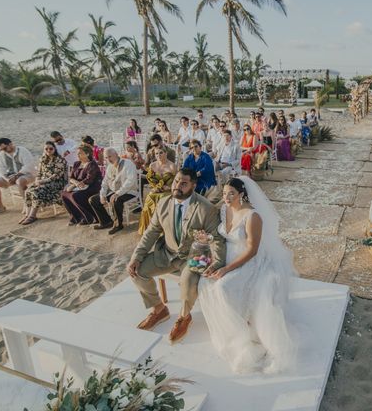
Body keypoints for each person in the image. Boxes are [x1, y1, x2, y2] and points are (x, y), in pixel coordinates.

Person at [198, 177, 296, 373]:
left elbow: (252, 250)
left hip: (248, 261)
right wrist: (208, 240)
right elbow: (220, 235)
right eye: (224, 193)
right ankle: (232, 326)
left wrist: (227, 269)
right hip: (226, 256)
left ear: (241, 194)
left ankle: (244, 330)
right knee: (204, 281)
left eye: (231, 194)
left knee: (223, 287)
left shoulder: (253, 216)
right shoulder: (225, 209)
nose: (226, 197)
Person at [127, 169, 227, 343]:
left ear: (193, 186)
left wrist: (217, 263)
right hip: (165, 253)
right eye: (176, 181)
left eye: (183, 183)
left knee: (188, 282)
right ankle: (159, 309)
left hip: (193, 257)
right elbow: (150, 233)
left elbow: (216, 239)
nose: (177, 186)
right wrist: (136, 257)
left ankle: (184, 316)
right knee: (137, 271)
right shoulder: (163, 203)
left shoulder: (206, 208)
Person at [88, 148, 139, 234]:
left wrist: (117, 193)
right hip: (113, 191)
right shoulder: (109, 167)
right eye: (106, 158)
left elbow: (130, 181)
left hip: (129, 191)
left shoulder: (128, 164)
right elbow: (105, 182)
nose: (108, 159)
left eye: (110, 156)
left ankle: (118, 225)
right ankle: (106, 222)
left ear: (116, 154)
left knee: (116, 200)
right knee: (93, 200)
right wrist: (102, 195)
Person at [19, 141, 68, 225]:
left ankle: (32, 216)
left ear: (54, 149)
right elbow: (39, 173)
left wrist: (42, 181)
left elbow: (56, 176)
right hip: (43, 182)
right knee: (28, 191)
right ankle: (27, 215)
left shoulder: (60, 160)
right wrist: (37, 180)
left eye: (51, 148)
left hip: (56, 183)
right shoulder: (43, 159)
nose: (48, 150)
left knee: (36, 191)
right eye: (46, 149)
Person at [0, 138, 36, 216]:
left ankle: (27, 204)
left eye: (4, 148)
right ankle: (0, 206)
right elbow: (0, 169)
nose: (3, 150)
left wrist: (17, 175)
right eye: (1, 149)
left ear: (10, 144)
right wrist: (6, 178)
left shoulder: (22, 151)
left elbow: (29, 165)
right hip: (10, 176)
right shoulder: (2, 154)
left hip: (27, 174)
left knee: (20, 181)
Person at [138, 148, 176, 234]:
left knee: (162, 198)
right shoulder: (152, 165)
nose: (158, 155)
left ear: (166, 153)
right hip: (156, 190)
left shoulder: (172, 166)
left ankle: (162, 229)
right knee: (149, 199)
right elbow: (151, 180)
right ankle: (149, 228)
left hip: (168, 190)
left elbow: (176, 182)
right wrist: (155, 187)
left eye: (161, 153)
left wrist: (169, 187)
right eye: (156, 154)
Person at [61, 146, 102, 225]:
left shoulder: (92, 164)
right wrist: (76, 184)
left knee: (76, 196)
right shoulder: (77, 164)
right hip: (78, 186)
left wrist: (75, 185)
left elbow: (89, 179)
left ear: (87, 154)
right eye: (78, 153)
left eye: (80, 153)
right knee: (64, 194)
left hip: (91, 187)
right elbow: (71, 177)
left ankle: (88, 218)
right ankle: (76, 217)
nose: (78, 155)